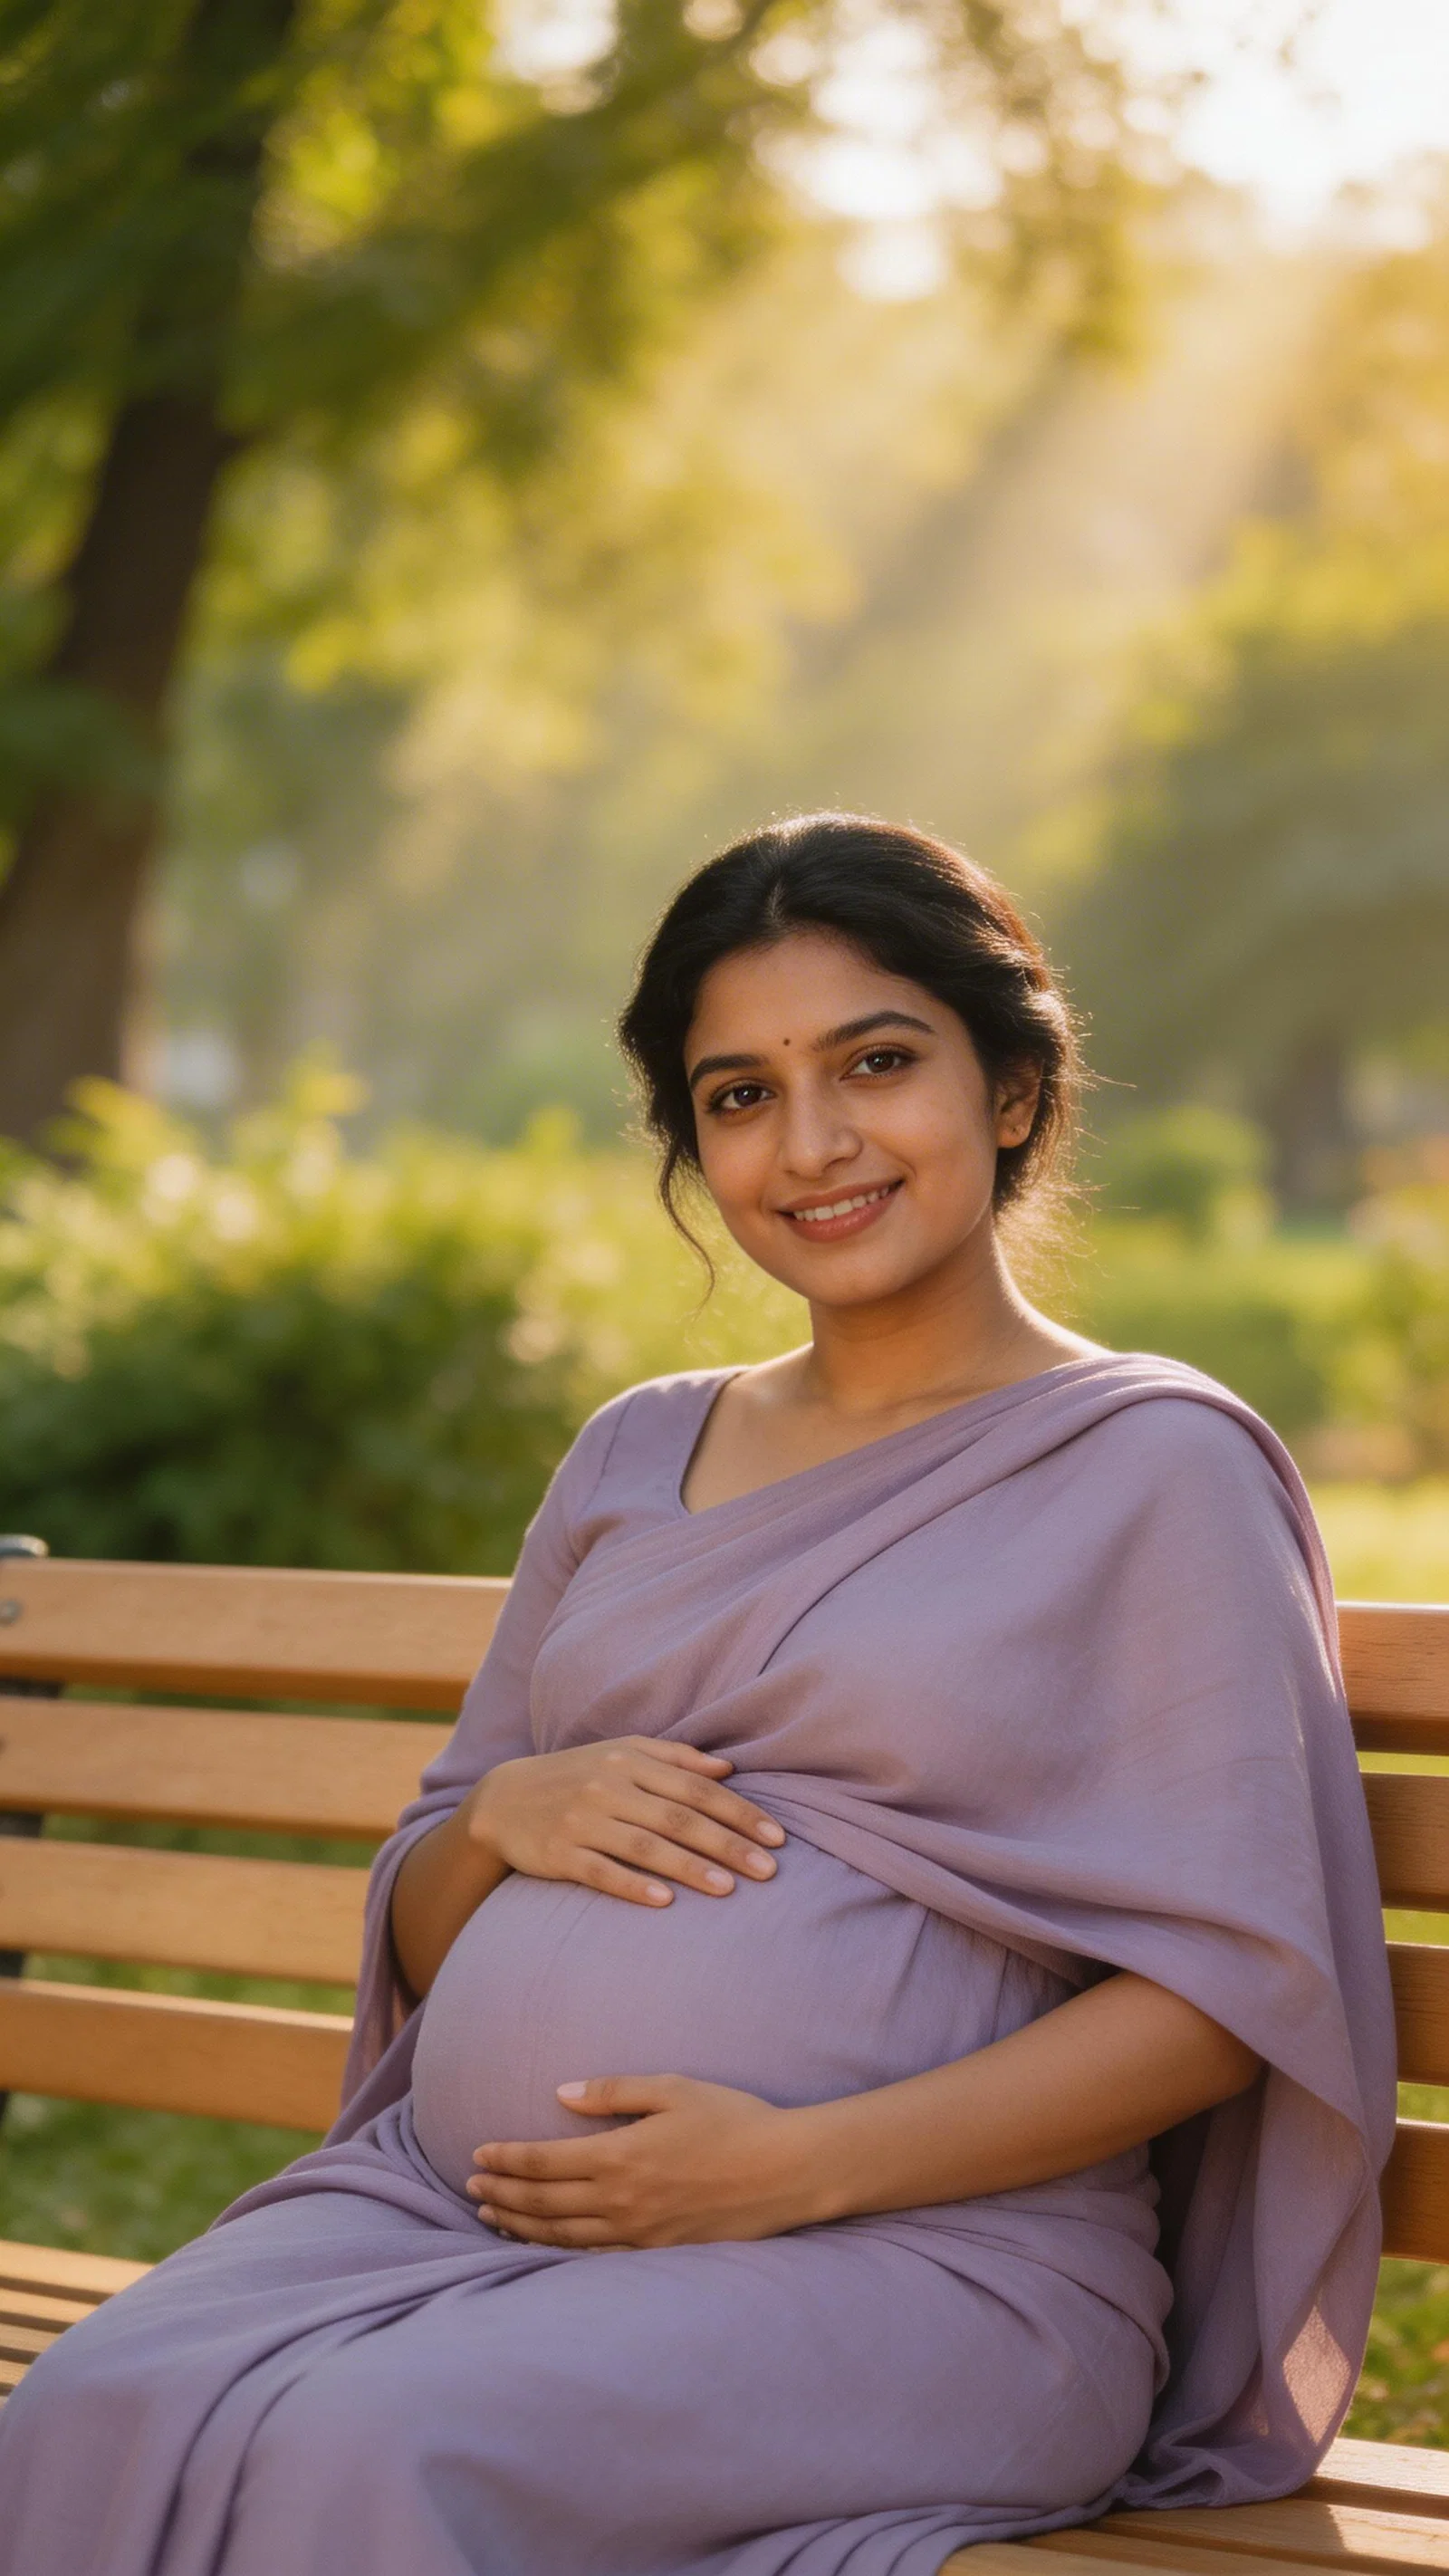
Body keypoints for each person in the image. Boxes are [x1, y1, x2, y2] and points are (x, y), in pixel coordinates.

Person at [0, 813, 1396, 2576]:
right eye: (736, 1095)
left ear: (1014, 1089)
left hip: (926, 2262)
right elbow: (437, 1910)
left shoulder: (1151, 1466)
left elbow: (1223, 1993)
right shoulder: (635, 1450)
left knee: (368, 2450)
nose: (808, 1145)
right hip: (451, 2217)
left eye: (874, 1065)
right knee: (78, 2419)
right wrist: (501, 1818)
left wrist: (789, 2168)